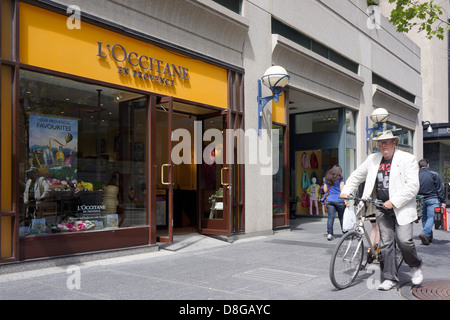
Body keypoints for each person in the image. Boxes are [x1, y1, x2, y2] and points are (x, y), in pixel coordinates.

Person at [340, 130, 423, 291]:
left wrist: (394, 201)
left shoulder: (407, 159)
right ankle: (390, 278)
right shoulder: (373, 159)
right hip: (381, 207)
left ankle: (415, 265)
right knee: (386, 244)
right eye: (381, 142)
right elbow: (357, 175)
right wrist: (347, 190)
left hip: (402, 207)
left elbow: (413, 186)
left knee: (404, 241)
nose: (383, 145)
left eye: (387, 142)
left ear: (394, 143)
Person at [418, 158, 446, 245]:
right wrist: (443, 201)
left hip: (420, 200)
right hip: (433, 199)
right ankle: (425, 233)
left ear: (419, 166)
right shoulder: (434, 174)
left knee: (424, 218)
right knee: (431, 217)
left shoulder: (415, 175)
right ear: (428, 165)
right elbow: (439, 189)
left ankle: (428, 237)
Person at [324, 165, 345, 241]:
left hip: (330, 200)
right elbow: (342, 190)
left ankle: (330, 234)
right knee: (342, 217)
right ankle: (345, 232)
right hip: (339, 201)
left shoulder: (327, 179)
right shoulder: (340, 179)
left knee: (330, 218)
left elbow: (325, 190)